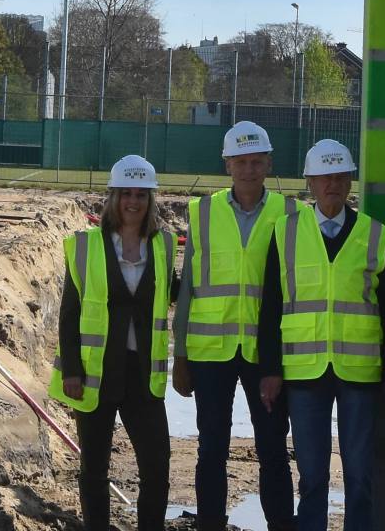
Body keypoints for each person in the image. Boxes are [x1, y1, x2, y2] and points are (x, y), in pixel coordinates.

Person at [256, 139, 385, 531]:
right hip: (303, 372)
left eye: (339, 176)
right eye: (323, 178)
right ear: (310, 183)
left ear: (350, 181)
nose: (332, 184)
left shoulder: (375, 235)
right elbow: (270, 307)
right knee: (312, 476)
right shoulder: (284, 233)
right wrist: (270, 368)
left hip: (359, 372)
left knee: (359, 475)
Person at [172, 123, 295, 531]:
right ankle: (210, 524)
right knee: (211, 450)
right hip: (212, 354)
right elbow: (188, 288)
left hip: (267, 355)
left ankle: (280, 523)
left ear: (268, 163)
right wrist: (181, 356)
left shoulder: (291, 214)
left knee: (273, 448)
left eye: (256, 161)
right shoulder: (202, 212)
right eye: (241, 162)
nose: (249, 169)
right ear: (228, 165)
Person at [48, 155, 175, 531]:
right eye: (125, 194)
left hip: (142, 377)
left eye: (140, 194)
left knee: (157, 468)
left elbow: (172, 293)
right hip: (95, 373)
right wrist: (71, 370)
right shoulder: (86, 247)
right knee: (94, 469)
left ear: (150, 200)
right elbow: (69, 314)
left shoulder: (164, 247)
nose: (132, 202)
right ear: (113, 198)